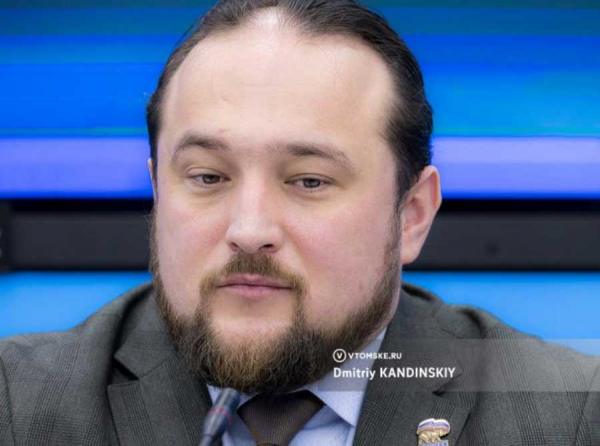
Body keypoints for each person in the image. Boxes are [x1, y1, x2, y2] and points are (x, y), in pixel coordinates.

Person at [1, 1, 599, 445]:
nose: (249, 229)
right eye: (207, 177)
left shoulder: (569, 417)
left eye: (309, 181)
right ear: (159, 192)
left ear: (412, 215)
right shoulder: (17, 405)